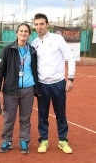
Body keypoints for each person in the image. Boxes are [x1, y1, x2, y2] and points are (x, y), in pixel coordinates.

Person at [31, 13, 76, 154]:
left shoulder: (58, 39)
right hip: (42, 85)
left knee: (60, 113)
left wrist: (70, 78)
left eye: (42, 24)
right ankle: (43, 140)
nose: (39, 27)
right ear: (34, 26)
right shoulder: (34, 43)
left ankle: (63, 141)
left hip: (58, 83)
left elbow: (70, 57)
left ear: (47, 24)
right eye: (36, 24)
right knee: (42, 114)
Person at [0, 23, 40, 154]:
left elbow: (35, 70)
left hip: (28, 89)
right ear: (17, 33)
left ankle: (24, 141)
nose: (23, 33)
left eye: (26, 31)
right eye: (21, 31)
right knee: (9, 118)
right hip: (10, 90)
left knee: (25, 118)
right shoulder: (7, 50)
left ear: (29, 34)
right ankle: (6, 141)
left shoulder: (32, 51)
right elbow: (0, 70)